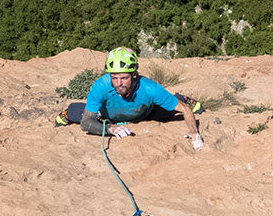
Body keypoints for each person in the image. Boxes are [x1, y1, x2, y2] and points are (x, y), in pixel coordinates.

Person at [55, 47, 205, 149]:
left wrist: (193, 131)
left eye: (124, 78)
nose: (119, 83)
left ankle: (181, 97)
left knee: (166, 111)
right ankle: (66, 114)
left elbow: (184, 110)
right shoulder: (100, 86)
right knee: (77, 113)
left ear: (134, 75)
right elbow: (86, 123)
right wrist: (110, 129)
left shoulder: (149, 88)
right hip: (109, 116)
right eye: (114, 78)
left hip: (145, 112)